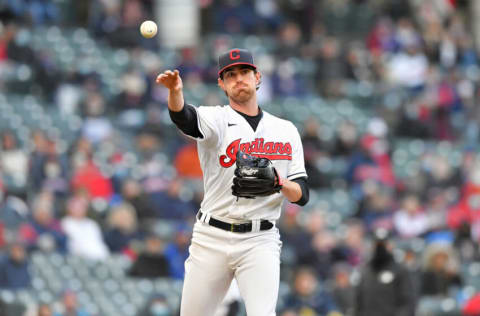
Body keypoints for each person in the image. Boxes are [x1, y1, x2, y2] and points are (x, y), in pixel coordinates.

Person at [156, 48, 309, 316]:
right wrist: (175, 94)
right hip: (211, 236)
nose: (239, 79)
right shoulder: (217, 118)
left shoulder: (286, 130)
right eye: (231, 75)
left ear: (257, 77)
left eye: (245, 72)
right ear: (222, 84)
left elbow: (302, 194)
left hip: (259, 239)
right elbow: (185, 118)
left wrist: (278, 182)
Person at [353, 229, 416, 316]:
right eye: (377, 244)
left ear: (391, 245)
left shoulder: (400, 270)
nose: (380, 248)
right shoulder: (365, 271)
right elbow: (358, 303)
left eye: (384, 244)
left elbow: (408, 303)